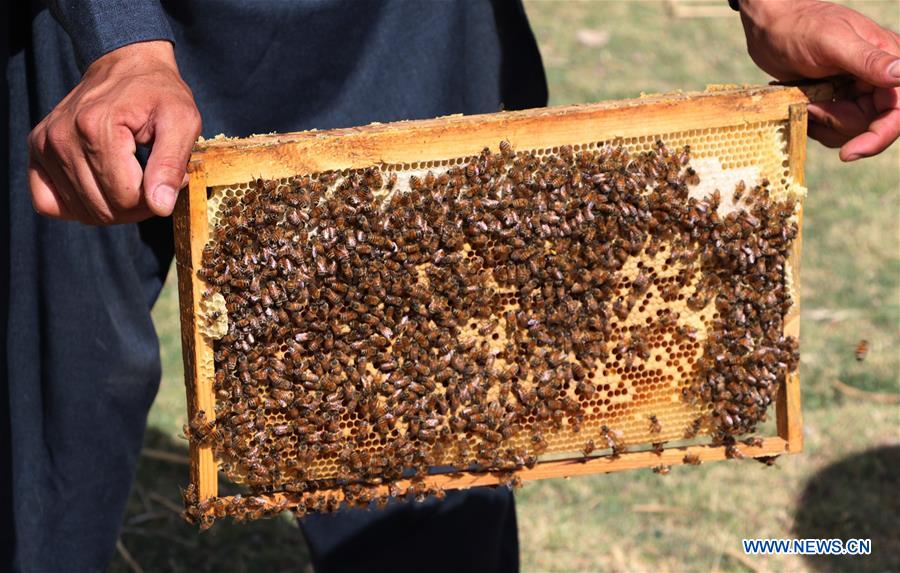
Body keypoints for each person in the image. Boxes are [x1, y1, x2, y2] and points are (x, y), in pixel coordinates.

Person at [1, 0, 897, 571]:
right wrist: (116, 36)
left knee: (435, 461)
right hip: (91, 47)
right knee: (52, 429)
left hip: (402, 24)